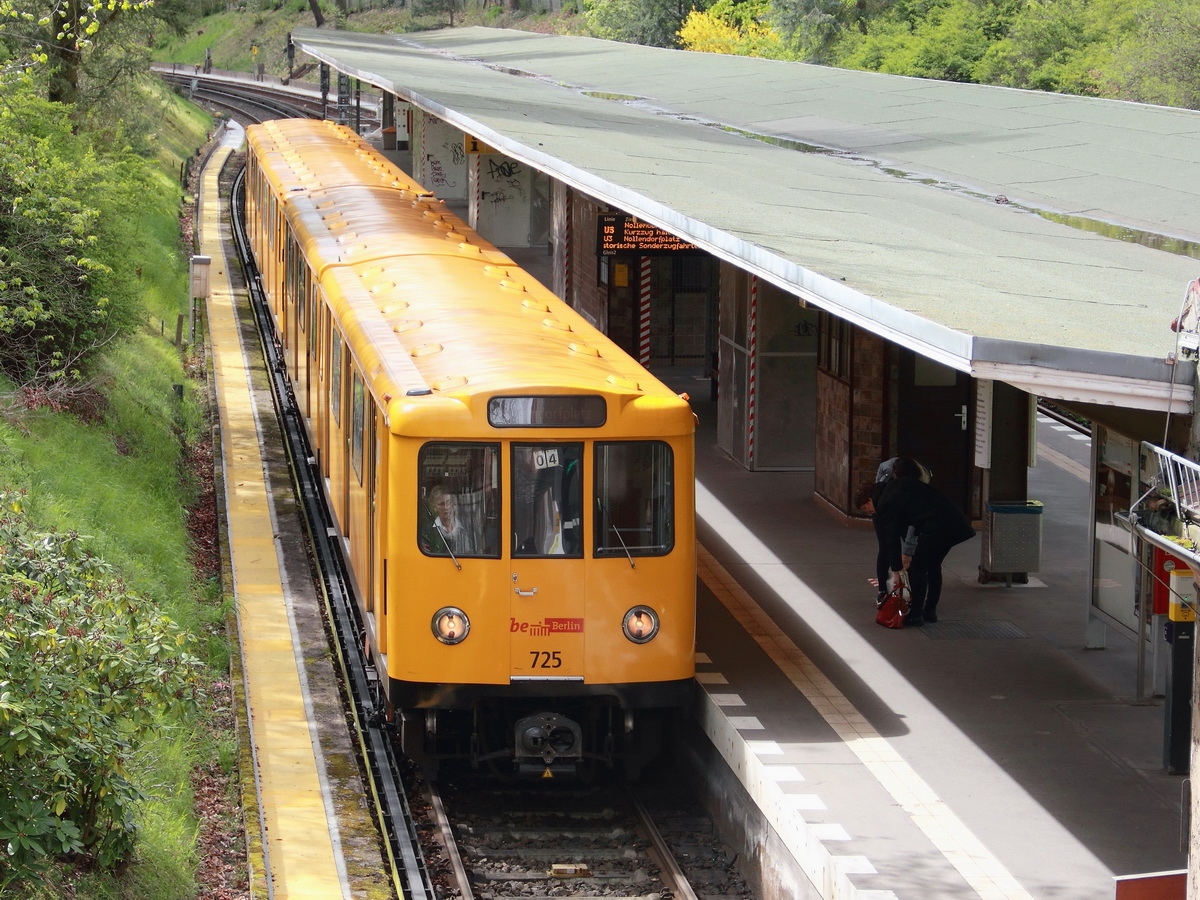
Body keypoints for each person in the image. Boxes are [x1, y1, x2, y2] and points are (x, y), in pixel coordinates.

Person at [874, 457, 975, 626]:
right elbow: (913, 522)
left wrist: (897, 569)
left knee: (917, 567)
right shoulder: (911, 486)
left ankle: (917, 613)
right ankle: (930, 610)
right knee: (933, 565)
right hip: (957, 522)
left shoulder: (887, 500)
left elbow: (891, 538)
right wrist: (906, 555)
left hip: (938, 526)